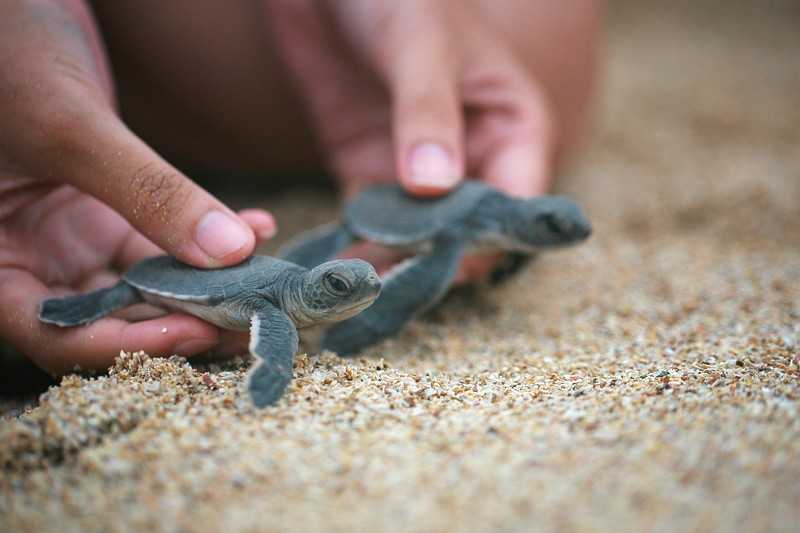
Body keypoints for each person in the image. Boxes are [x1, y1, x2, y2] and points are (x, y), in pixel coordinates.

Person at [0, 0, 602, 375]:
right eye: (547, 226)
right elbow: (406, 284)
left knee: (531, 74)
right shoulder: (445, 234)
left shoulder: (494, 219)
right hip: (360, 214)